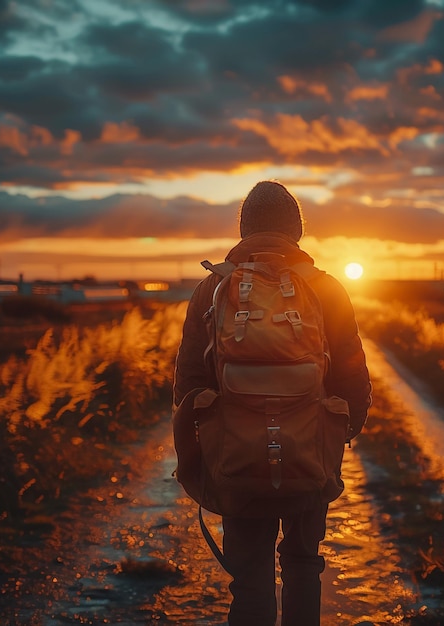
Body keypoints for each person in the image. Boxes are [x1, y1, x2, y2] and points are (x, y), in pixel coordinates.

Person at [173, 180, 372, 626]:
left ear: (244, 230)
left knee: (249, 574)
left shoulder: (211, 290)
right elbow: (354, 378)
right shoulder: (327, 288)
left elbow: (187, 387)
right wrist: (339, 433)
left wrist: (198, 452)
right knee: (303, 562)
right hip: (310, 452)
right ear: (296, 231)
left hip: (236, 458)